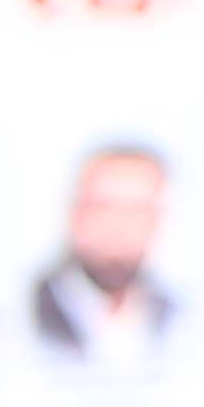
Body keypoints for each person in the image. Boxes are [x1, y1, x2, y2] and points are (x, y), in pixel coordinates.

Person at [28, 140, 178, 365]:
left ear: (157, 220)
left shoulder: (183, 322)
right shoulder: (22, 317)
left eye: (136, 210)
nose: (118, 226)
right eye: (103, 206)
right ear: (75, 214)